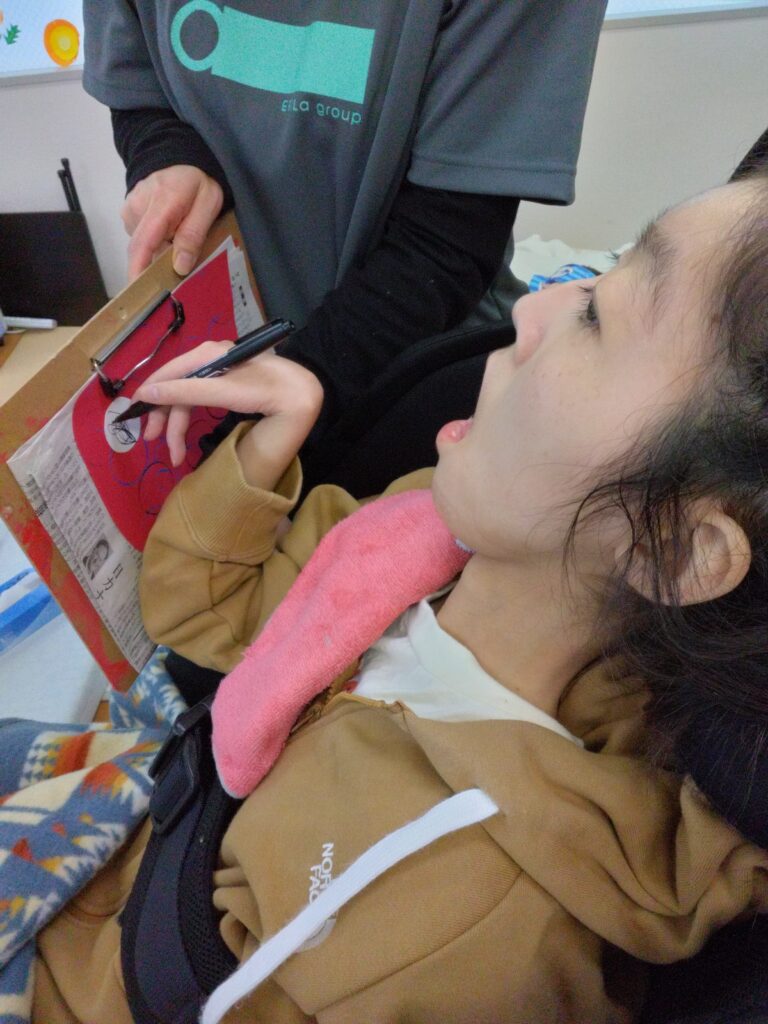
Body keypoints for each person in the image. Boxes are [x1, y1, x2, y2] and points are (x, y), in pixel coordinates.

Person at [26, 167, 768, 1022]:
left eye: (599, 313)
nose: (533, 307)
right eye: (595, 274)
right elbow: (204, 611)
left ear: (673, 547)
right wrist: (273, 439)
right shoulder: (427, 539)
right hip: (127, 846)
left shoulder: (467, 936)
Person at [81, 1, 607, 483]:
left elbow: (451, 234)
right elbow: (136, 85)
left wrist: (292, 394)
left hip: (403, 372)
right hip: (222, 370)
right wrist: (165, 153)